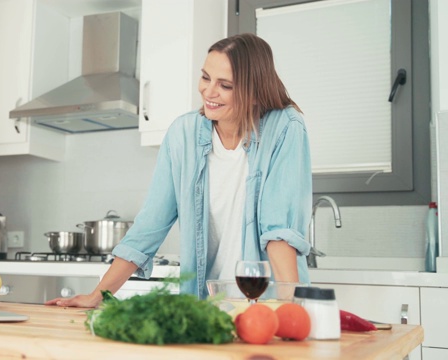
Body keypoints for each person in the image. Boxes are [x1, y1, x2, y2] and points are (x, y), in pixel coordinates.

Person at [45, 33, 312, 308]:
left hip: (266, 305)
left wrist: (290, 307)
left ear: (254, 91)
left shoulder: (285, 127)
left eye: (225, 85)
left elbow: (279, 230)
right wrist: (97, 296)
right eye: (206, 77)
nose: (209, 92)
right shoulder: (182, 134)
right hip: (203, 305)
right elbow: (151, 224)